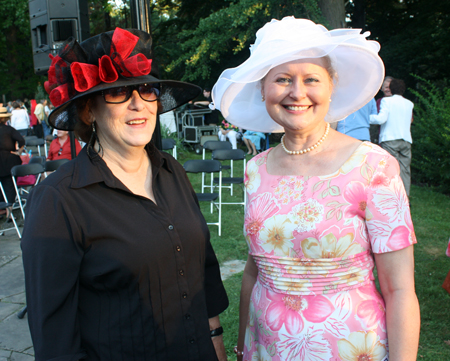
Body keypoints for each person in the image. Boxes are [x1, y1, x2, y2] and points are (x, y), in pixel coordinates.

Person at [211, 17, 419, 360]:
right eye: (282, 79)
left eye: (311, 79)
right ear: (263, 89)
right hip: (268, 347)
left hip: (348, 346)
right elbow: (255, 269)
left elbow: (399, 290)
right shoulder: (256, 170)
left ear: (331, 85)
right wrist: (243, 348)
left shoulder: (372, 166)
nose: (297, 92)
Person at [21, 27, 228, 361]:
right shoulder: (59, 201)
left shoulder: (172, 170)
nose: (138, 105)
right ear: (89, 112)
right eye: (118, 94)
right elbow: (54, 336)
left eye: (146, 90)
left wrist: (215, 336)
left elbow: (202, 266)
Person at [370, 78, 414, 197]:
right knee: (405, 170)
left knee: (389, 170)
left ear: (392, 89)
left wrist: (367, 118)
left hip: (390, 139)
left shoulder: (386, 101)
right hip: (406, 139)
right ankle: (405, 198)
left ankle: (389, 197)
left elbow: (381, 119)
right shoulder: (409, 104)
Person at [0, 107, 24, 209]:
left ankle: (1, 210)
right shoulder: (9, 130)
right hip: (9, 158)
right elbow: (21, 140)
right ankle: (9, 210)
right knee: (9, 184)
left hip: (4, 160)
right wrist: (18, 151)